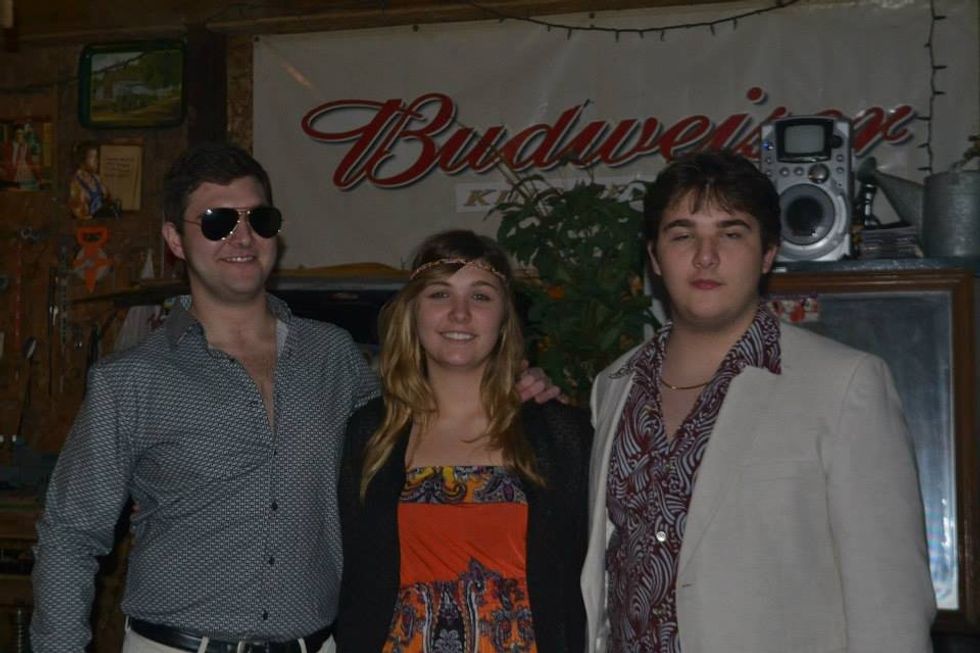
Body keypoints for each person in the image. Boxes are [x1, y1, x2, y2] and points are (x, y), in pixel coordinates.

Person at [31, 143, 557, 653]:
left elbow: (426, 420)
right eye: (217, 221)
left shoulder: (334, 356)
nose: (242, 236)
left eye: (259, 219)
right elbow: (69, 537)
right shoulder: (130, 380)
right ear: (175, 239)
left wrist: (512, 387)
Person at [581, 150, 936, 652]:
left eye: (731, 234)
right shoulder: (613, 385)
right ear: (655, 257)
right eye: (682, 235)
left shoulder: (843, 385)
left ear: (768, 253)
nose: (706, 256)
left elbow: (890, 606)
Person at [336, 230, 592, 652]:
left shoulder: (560, 433)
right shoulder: (372, 433)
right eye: (440, 294)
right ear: (412, 311)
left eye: (480, 296)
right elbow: (356, 586)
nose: (459, 314)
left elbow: (587, 579)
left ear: (505, 318)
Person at [69, 140, 114, 219]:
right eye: (93, 157)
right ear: (82, 160)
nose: (97, 161)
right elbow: (80, 214)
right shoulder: (75, 183)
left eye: (97, 157)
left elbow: (108, 197)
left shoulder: (97, 179)